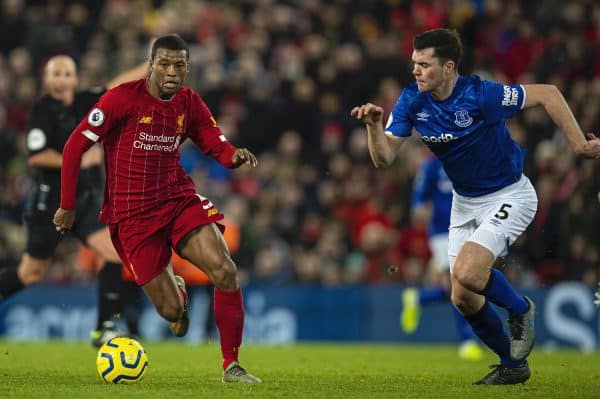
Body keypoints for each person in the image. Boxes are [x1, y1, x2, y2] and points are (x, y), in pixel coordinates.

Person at [351, 28, 600, 385]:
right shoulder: (412, 101)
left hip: (510, 194)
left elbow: (549, 94)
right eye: (413, 64)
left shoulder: (481, 94)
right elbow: (384, 157)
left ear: (449, 67)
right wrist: (374, 127)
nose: (416, 71)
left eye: (424, 64)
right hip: (464, 202)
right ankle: (512, 366)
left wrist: (578, 145)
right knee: (462, 297)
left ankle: (520, 309)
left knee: (467, 272)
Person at [53, 34, 261, 384]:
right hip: (132, 217)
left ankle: (232, 365)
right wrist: (67, 206)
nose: (171, 71)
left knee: (225, 270)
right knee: (174, 317)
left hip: (176, 200)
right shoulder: (120, 99)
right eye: (163, 63)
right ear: (151, 64)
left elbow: (215, 143)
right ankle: (176, 294)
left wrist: (233, 156)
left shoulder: (189, 102)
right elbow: (75, 146)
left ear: (187, 67)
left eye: (179, 64)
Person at [0, 54, 148, 347]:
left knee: (112, 252)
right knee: (30, 274)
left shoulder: (85, 102)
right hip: (51, 204)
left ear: (76, 78)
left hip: (83, 200)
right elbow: (37, 154)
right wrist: (77, 158)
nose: (62, 80)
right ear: (46, 80)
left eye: (67, 74)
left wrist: (152, 64)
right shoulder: (42, 111)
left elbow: (119, 86)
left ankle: (103, 328)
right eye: (56, 74)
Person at [401, 156, 483, 361]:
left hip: (468, 228)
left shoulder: (468, 158)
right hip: (441, 232)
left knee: (459, 288)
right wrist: (418, 207)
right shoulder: (432, 165)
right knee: (458, 285)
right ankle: (467, 341)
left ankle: (420, 298)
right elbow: (420, 194)